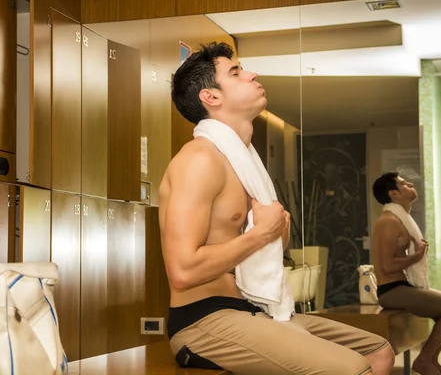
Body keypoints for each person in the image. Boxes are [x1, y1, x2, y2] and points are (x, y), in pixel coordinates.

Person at [158, 41, 395, 375]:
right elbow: (183, 272)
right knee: (354, 368)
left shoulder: (243, 162)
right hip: (203, 320)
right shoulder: (200, 160)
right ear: (211, 97)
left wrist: (271, 236)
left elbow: (257, 247)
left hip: (253, 309)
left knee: (378, 351)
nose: (252, 74)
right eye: (236, 73)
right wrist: (262, 234)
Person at [371, 173, 441, 375]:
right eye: (403, 183)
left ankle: (430, 361)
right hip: (391, 290)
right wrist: (417, 255)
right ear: (394, 193)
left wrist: (416, 255)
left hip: (402, 286)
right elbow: (386, 266)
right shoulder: (389, 221)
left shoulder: (400, 219)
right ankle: (425, 361)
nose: (410, 184)